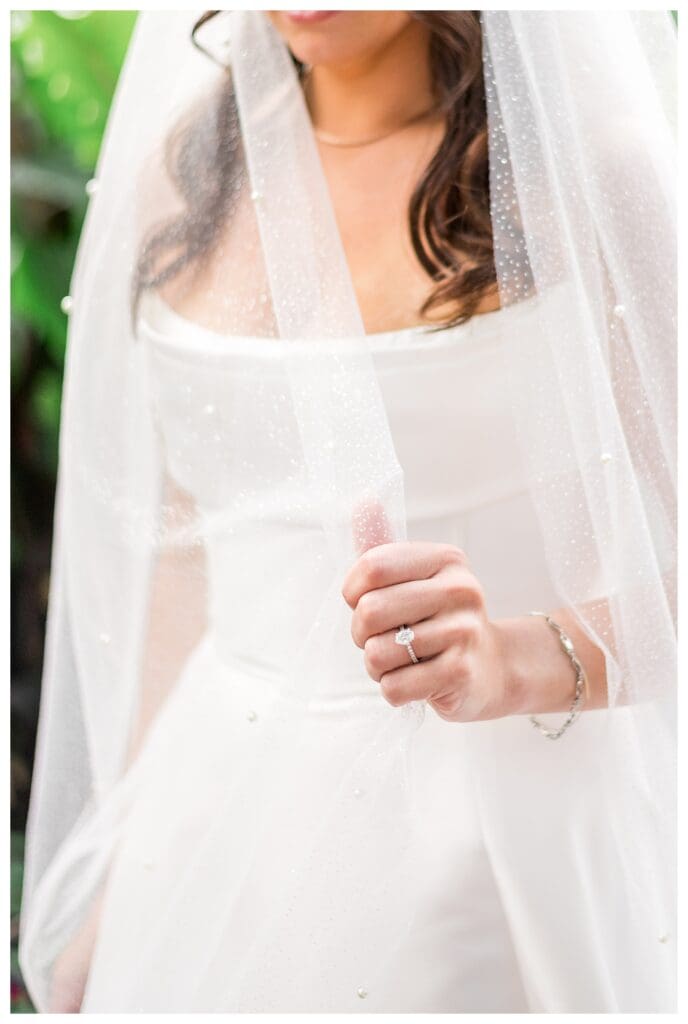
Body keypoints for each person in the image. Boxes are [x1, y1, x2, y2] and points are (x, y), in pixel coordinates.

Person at [19, 10, 676, 1013]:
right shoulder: (183, 181)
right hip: (218, 824)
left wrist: (517, 656)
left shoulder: (580, 170)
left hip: (494, 852)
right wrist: (124, 867)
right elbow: (183, 560)